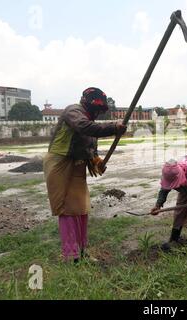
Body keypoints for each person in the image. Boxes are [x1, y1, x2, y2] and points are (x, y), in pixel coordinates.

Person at [43, 87, 126, 263]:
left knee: (81, 208)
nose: (98, 113)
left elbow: (90, 147)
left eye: (100, 110)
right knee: (67, 210)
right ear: (87, 104)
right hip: (60, 163)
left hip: (77, 164)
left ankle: (81, 251)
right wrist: (113, 128)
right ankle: (71, 255)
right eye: (97, 109)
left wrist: (96, 161)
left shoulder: (90, 120)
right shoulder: (74, 111)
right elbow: (83, 127)